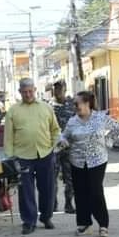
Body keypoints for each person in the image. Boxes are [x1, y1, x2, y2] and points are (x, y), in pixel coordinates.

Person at [58, 91, 119, 237]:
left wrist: (108, 141)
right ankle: (84, 223)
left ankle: (103, 224)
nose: (75, 107)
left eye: (77, 104)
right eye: (74, 104)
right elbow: (64, 135)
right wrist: (63, 141)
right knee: (80, 192)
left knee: (95, 191)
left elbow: (118, 127)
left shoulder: (100, 117)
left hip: (97, 160)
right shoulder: (72, 121)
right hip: (77, 161)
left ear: (87, 103)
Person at [4, 78, 61, 234]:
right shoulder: (13, 111)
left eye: (30, 91)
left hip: (45, 154)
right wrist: (10, 157)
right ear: (20, 92)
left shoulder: (46, 108)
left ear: (35, 90)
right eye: (24, 92)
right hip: (22, 157)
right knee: (25, 191)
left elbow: (55, 130)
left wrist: (55, 146)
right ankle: (29, 221)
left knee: (48, 188)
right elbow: (8, 137)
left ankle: (46, 217)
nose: (28, 94)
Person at [51, 80, 76, 214]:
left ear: (65, 90)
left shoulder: (72, 105)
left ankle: (68, 204)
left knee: (70, 177)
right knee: (52, 177)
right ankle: (53, 204)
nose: (58, 91)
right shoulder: (48, 107)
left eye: (60, 89)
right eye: (56, 89)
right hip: (54, 148)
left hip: (69, 147)